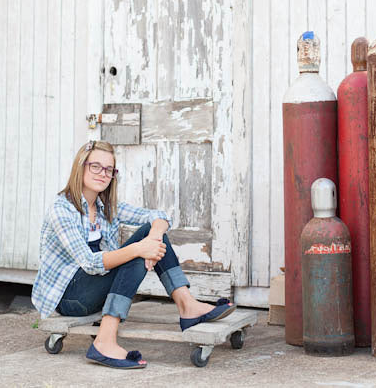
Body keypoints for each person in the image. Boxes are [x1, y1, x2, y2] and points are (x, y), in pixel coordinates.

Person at [31, 140, 236, 369]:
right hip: (70, 297)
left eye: (109, 169)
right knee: (137, 251)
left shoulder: (105, 207)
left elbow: (159, 216)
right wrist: (139, 249)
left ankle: (187, 305)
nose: (103, 174)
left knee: (150, 234)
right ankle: (104, 341)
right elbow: (89, 263)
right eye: (95, 166)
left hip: (95, 287)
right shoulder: (62, 209)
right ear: (81, 166)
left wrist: (154, 237)